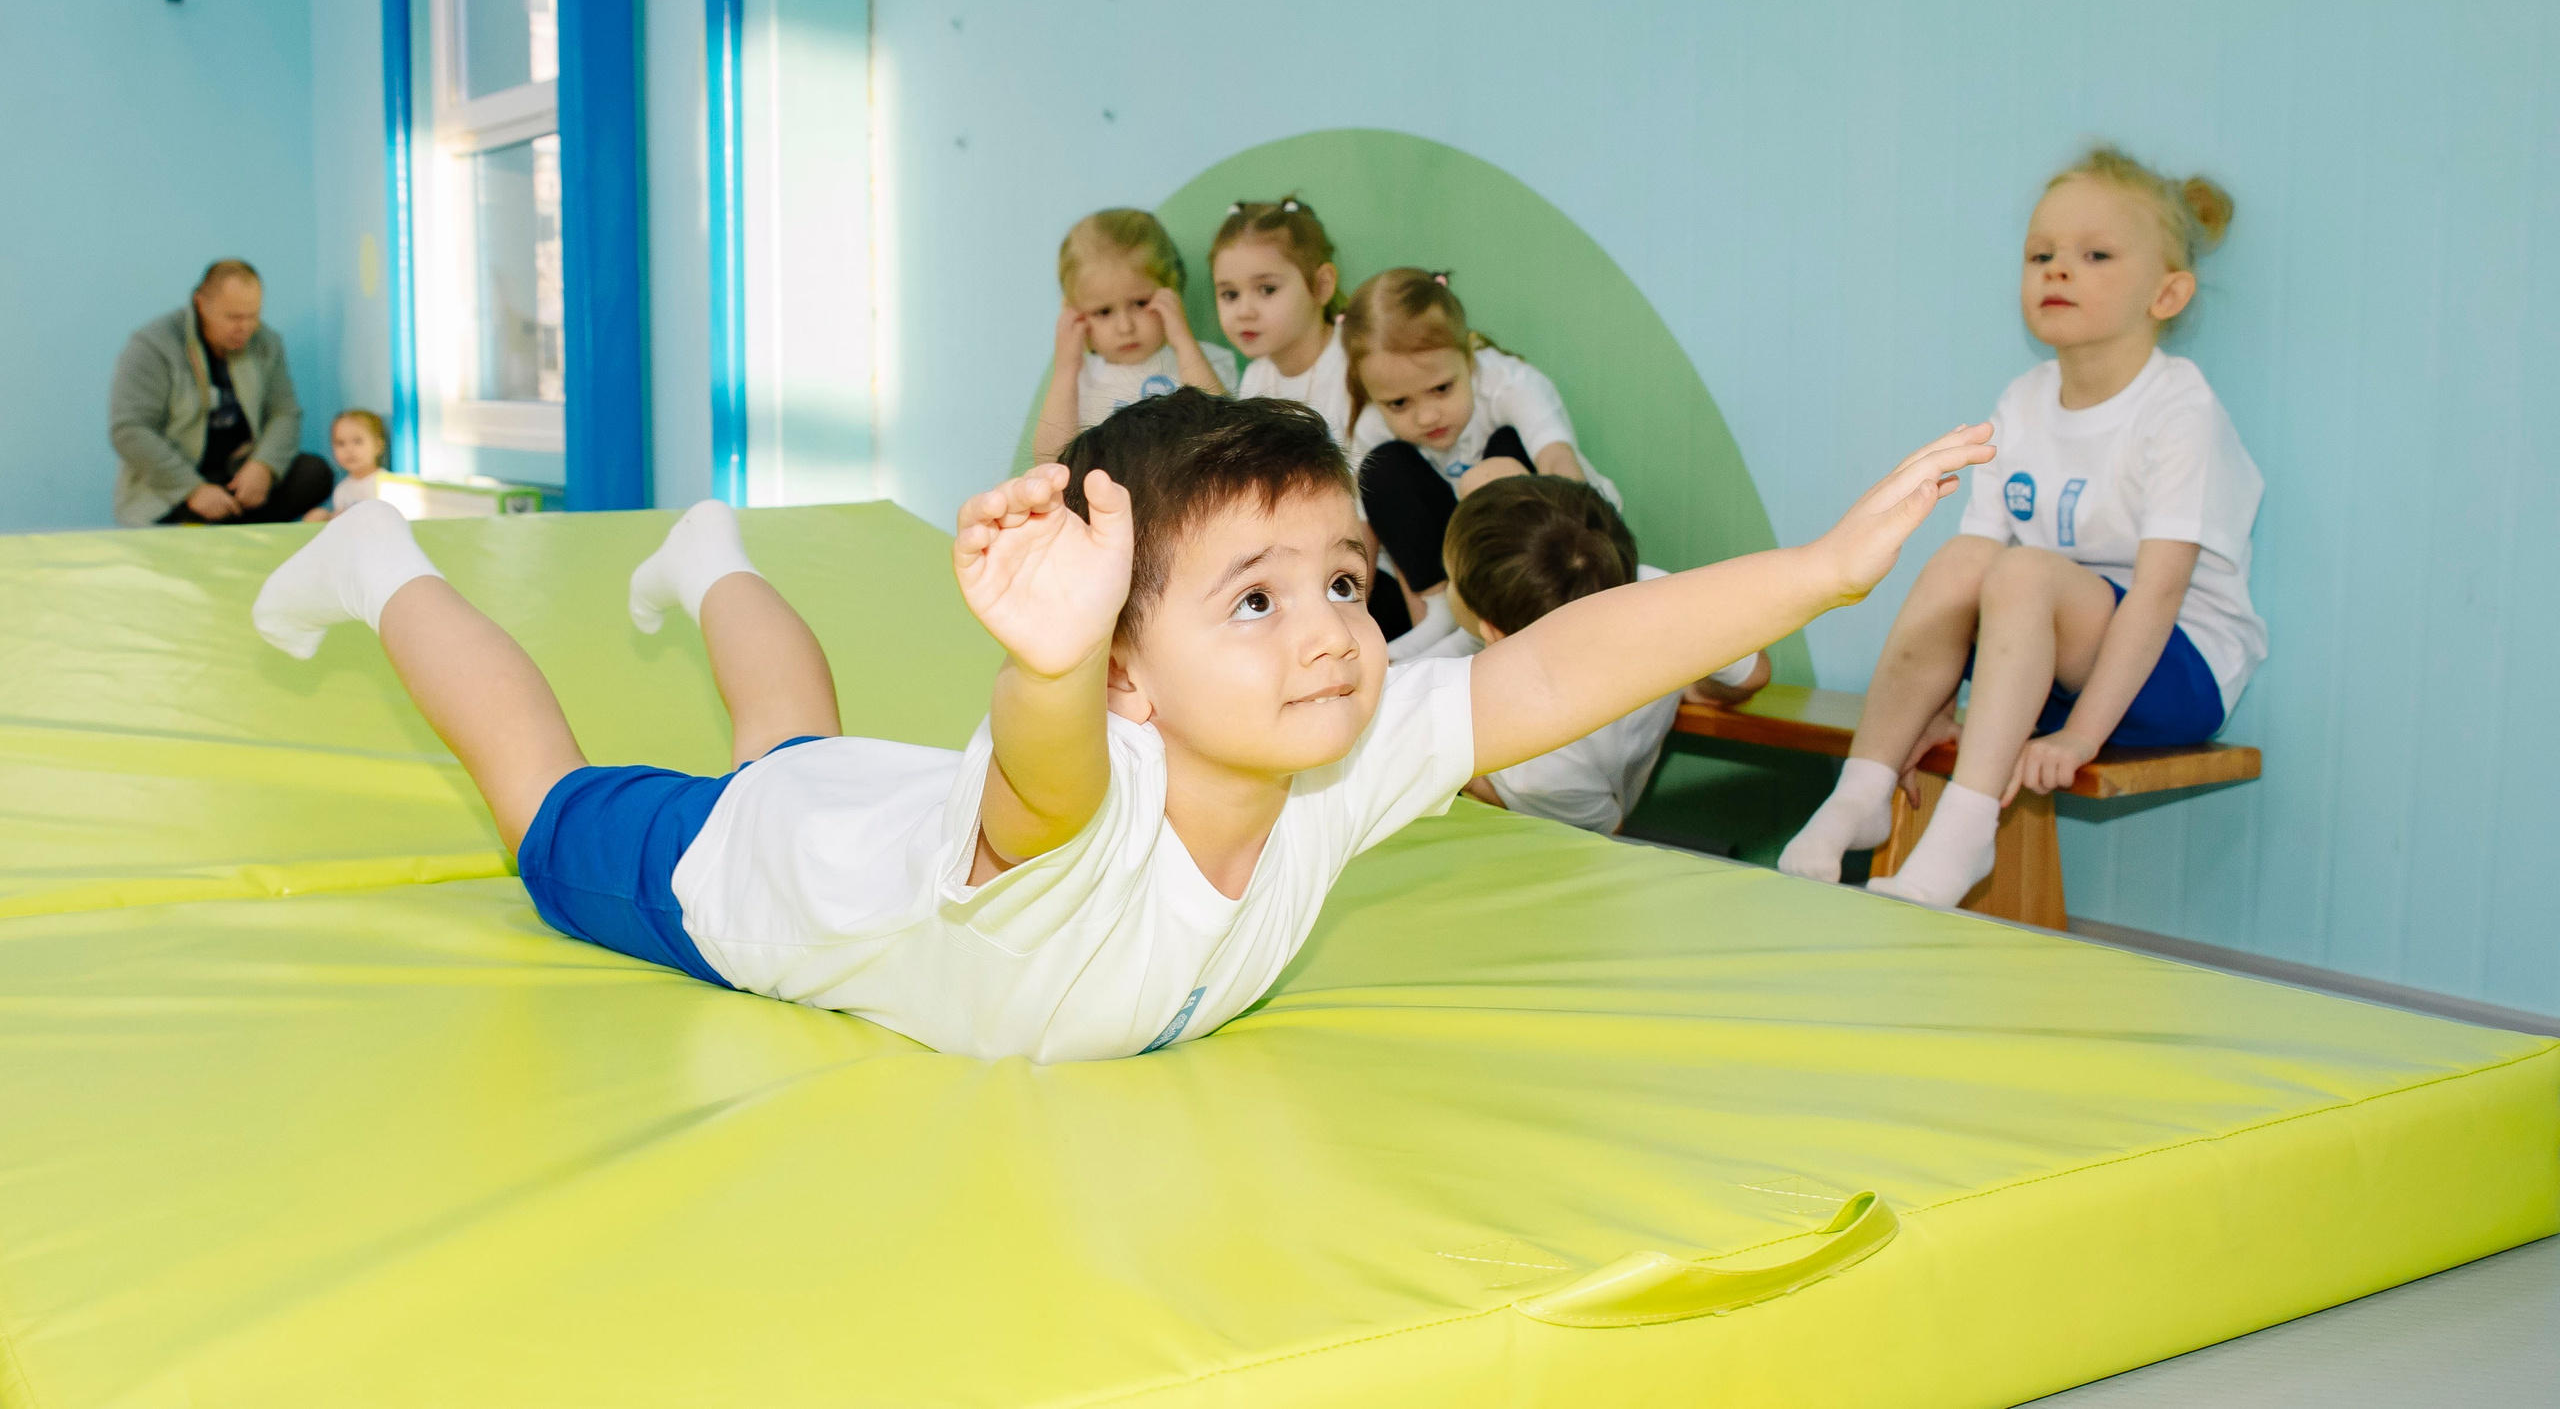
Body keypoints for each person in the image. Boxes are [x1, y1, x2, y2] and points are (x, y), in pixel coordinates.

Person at [250, 388, 1991, 1063]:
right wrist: (1052, 662)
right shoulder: (1074, 783)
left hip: (874, 809)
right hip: (761, 884)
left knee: (796, 739)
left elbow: (1555, 666)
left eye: (1338, 578)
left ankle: (712, 557)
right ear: (1132, 671)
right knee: (550, 806)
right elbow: (1052, 773)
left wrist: (1822, 574)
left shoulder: (1332, 752)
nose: (1328, 630)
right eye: (1255, 597)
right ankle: (381, 564)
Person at [1779, 146, 2264, 907]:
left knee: (2022, 568)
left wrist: (2081, 737)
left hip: (2172, 669)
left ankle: (1966, 834)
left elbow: (2159, 596)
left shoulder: (2180, 411)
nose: (2057, 270)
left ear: (2166, 294)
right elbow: (1974, 585)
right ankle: (1862, 789)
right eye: (2041, 254)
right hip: (2052, 661)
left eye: (2095, 254)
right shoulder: (2024, 399)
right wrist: (1937, 699)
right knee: (1967, 558)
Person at [1429, 475, 1771, 835]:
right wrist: (1696, 685)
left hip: (1573, 827)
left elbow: (1607, 837)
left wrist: (1473, 778)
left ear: (1495, 633)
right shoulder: (1657, 592)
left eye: (1451, 580)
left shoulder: (1537, 764)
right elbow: (1755, 674)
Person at [1340, 268, 1616, 645]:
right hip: (1459, 550)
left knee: (1503, 448)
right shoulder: (1373, 425)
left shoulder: (1510, 385)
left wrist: (1587, 560)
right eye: (1399, 403)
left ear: (1469, 360)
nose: (1426, 416)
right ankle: (1441, 614)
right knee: (1381, 469)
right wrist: (1348, 615)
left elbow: (1557, 463)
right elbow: (1362, 531)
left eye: (1441, 388)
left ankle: (1525, 610)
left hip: (1552, 533)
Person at [110, 259, 333, 526]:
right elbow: (130, 430)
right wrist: (191, 489)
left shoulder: (266, 343)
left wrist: (265, 466)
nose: (246, 327)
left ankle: (221, 529)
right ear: (201, 304)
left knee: (314, 473)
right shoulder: (152, 346)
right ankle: (208, 528)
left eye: (254, 315)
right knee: (183, 513)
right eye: (234, 317)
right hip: (178, 486)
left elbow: (284, 413)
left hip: (238, 478)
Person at [1032, 209, 1238, 463]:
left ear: (1171, 289)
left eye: (1140, 303)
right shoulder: (1077, 383)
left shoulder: (1206, 362)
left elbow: (1223, 435)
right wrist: (1065, 371)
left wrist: (1184, 343)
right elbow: (1049, 461)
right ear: (1075, 313)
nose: (1125, 327)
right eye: (1103, 311)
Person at [1211, 197, 1352, 444]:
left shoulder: (1354, 365)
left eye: (1267, 289)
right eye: (1230, 294)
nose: (1244, 312)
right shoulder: (1257, 377)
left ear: (1321, 286)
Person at [306, 409, 391, 522]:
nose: (349, 449)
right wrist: (327, 517)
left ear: (378, 446)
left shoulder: (387, 485)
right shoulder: (342, 489)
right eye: (341, 443)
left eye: (358, 441)